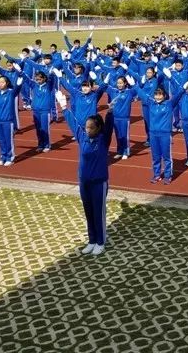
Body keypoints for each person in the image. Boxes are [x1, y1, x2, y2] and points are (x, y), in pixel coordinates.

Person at [57, 90, 113, 255]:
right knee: (88, 212)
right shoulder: (82, 137)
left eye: (91, 127)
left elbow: (109, 128)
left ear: (98, 128)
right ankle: (92, 240)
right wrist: (64, 107)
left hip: (99, 182)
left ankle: (101, 242)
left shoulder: (103, 140)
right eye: (86, 126)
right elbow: (73, 123)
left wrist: (110, 112)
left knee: (98, 212)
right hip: (84, 181)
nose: (87, 129)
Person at [132, 82, 186, 184]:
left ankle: (167, 176)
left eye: (160, 94)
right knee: (155, 156)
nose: (158, 96)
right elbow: (142, 94)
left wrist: (183, 88)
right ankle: (156, 175)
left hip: (165, 134)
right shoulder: (151, 103)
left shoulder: (169, 104)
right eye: (156, 94)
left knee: (166, 156)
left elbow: (178, 95)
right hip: (153, 134)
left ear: (164, 95)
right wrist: (135, 86)